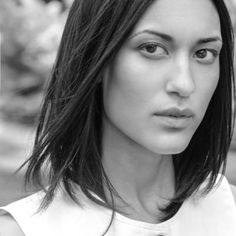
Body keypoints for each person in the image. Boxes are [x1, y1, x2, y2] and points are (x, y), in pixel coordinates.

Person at [1, 0, 236, 235]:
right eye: (152, 48)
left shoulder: (228, 210)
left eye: (203, 53)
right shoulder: (23, 231)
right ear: (94, 56)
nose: (185, 84)